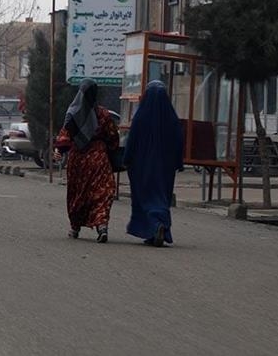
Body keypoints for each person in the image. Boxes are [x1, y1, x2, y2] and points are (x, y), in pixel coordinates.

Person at [53, 78, 119, 243]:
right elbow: (112, 137)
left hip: (78, 161)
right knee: (102, 192)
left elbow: (64, 136)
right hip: (99, 160)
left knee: (78, 193)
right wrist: (111, 150)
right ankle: (102, 225)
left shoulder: (72, 113)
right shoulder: (103, 113)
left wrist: (59, 150)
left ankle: (75, 227)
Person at [124, 80, 184, 247]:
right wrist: (179, 162)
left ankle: (154, 226)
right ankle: (159, 226)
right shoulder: (171, 118)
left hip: (142, 166)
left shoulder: (141, 117)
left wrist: (126, 159)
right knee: (161, 196)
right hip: (165, 167)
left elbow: (132, 140)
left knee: (144, 196)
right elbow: (179, 141)